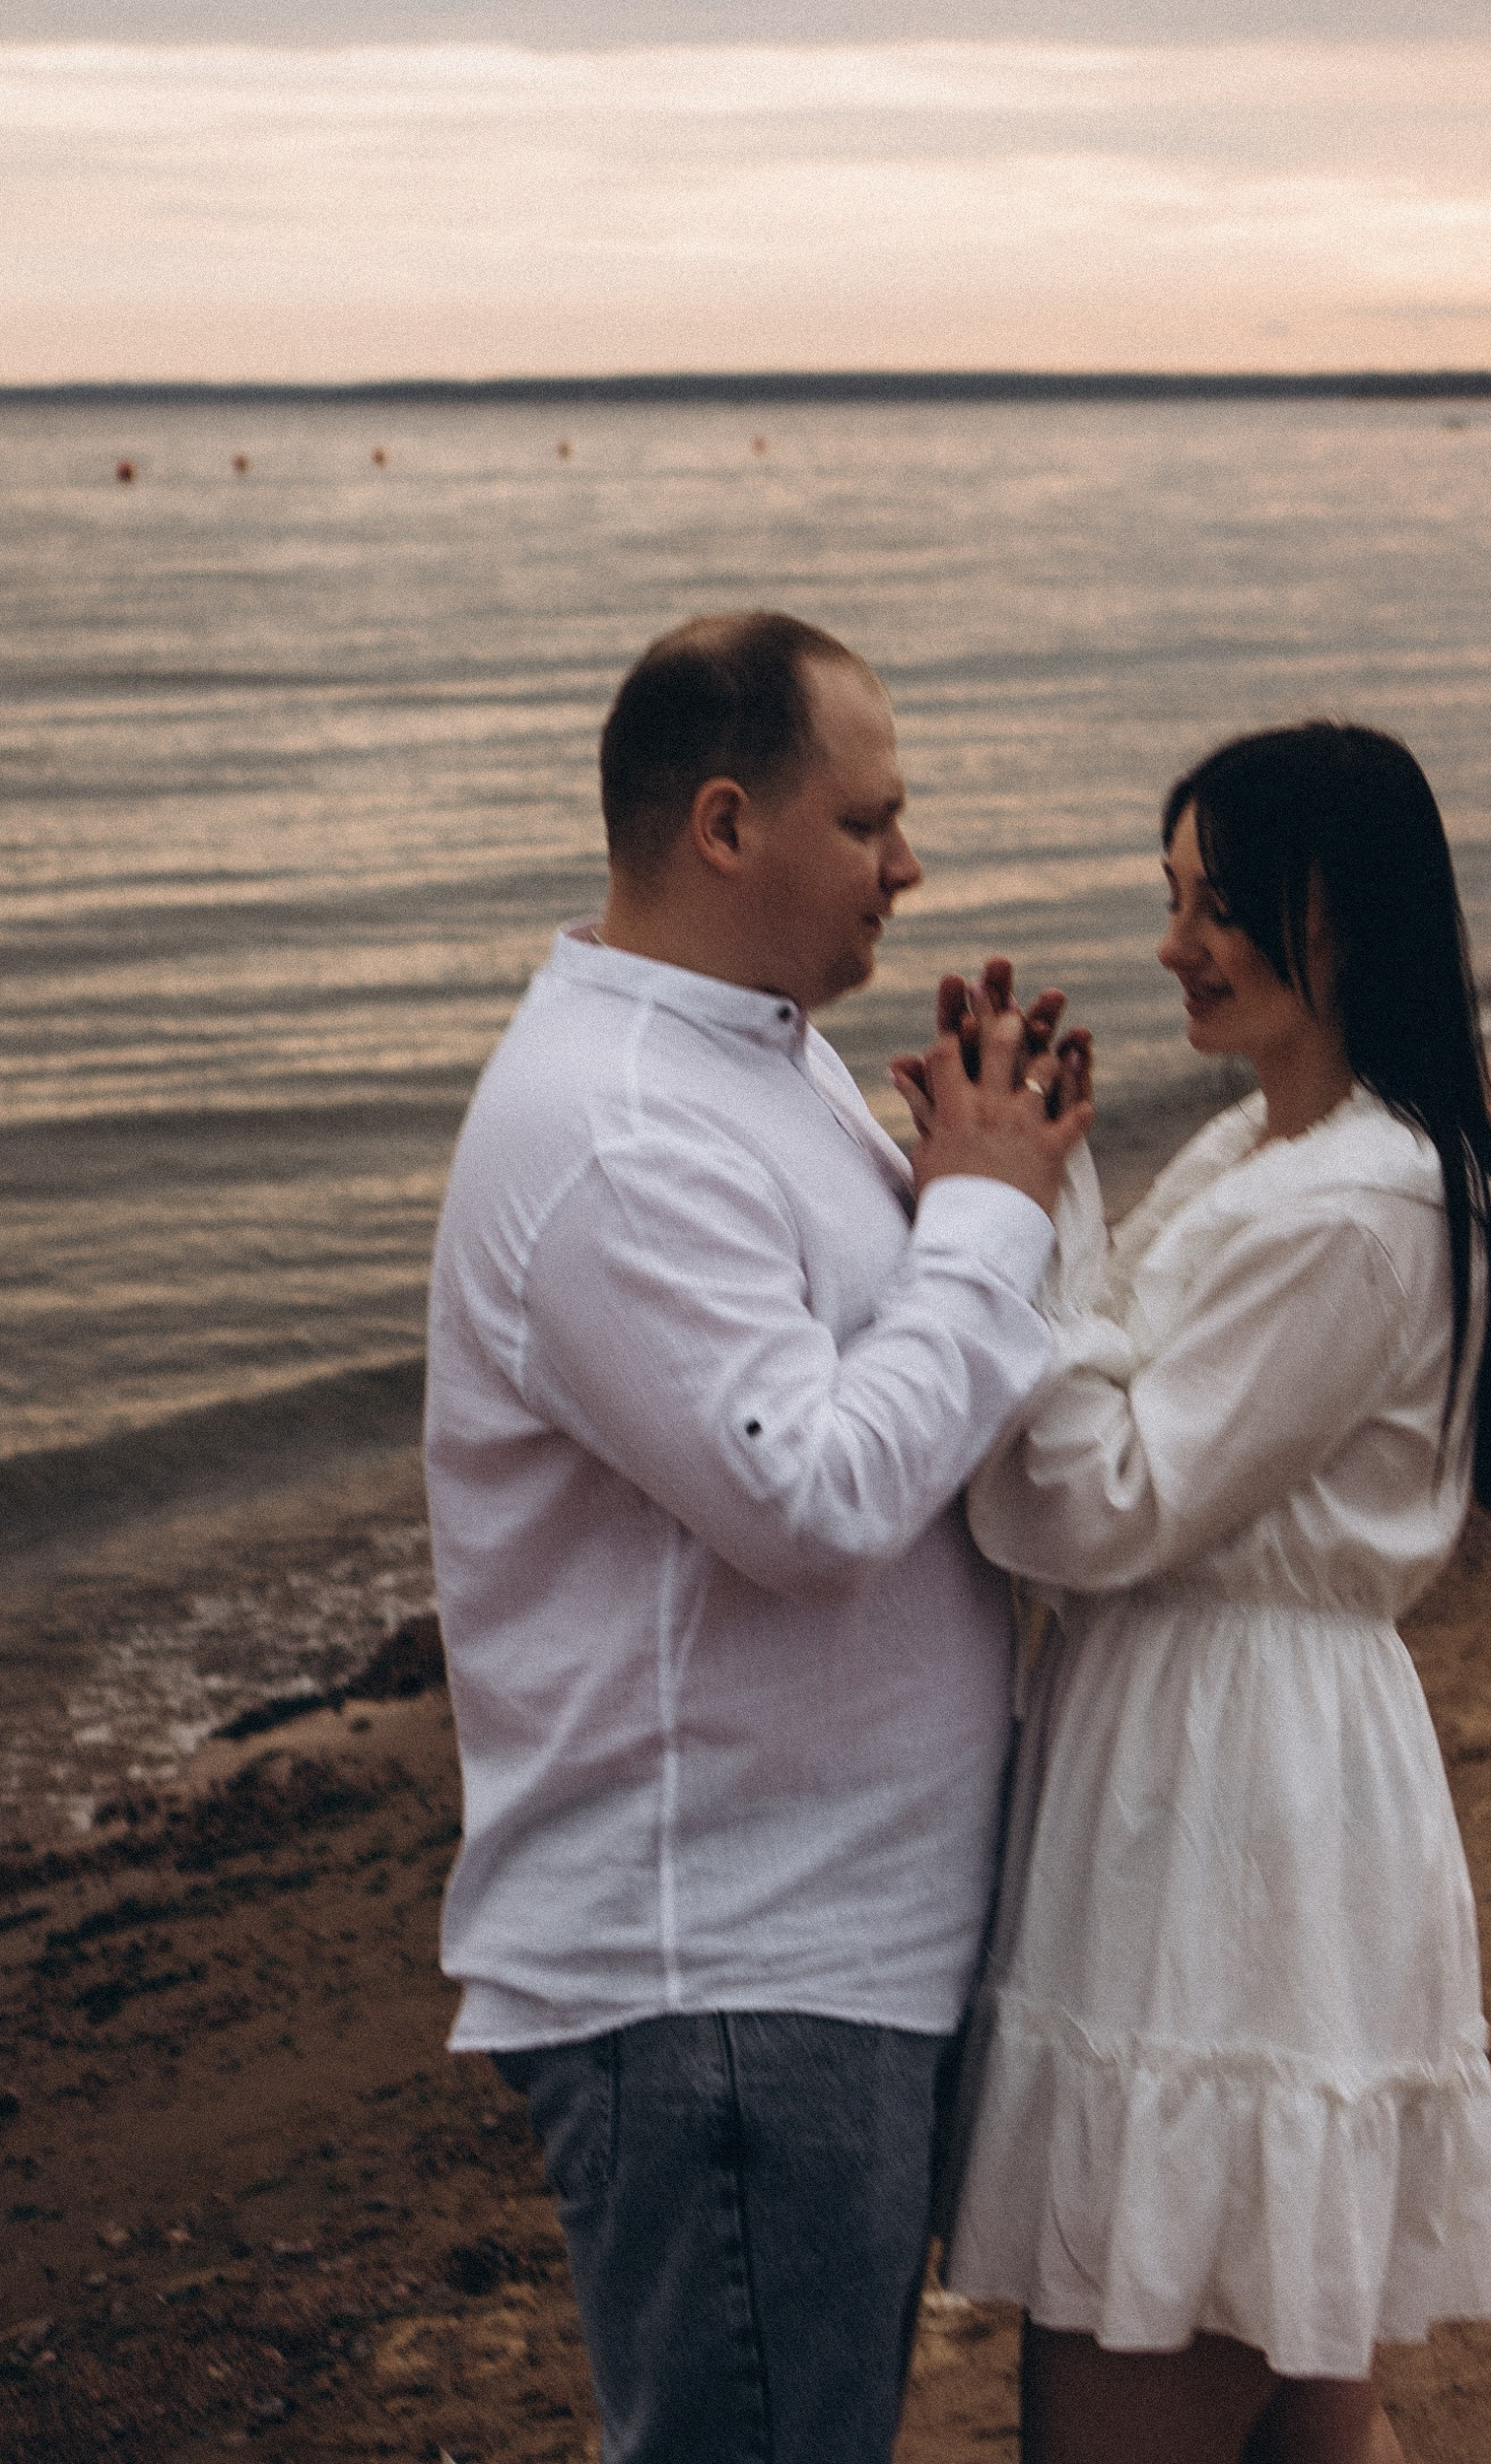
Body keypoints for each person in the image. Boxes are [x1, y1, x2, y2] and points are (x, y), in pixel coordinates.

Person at [424, 610, 1091, 2464]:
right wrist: (981, 1223)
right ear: (725, 826)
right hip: (718, 1974)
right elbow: (814, 1497)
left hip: (821, 1950)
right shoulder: (618, 1130)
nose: (912, 863)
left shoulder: (761, 1054)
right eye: (870, 821)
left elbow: (894, 1386)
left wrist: (976, 1171)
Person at [916, 719, 1491, 2464]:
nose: (1177, 944)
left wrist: (997, 1218)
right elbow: (1120, 1398)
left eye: (1220, 903)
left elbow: (1101, 1500)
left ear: (1345, 915)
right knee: (1297, 2398)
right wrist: (1033, 1186)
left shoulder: (1353, 1203)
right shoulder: (1278, 1154)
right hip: (1234, 1756)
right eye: (1170, 898)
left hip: (1230, 1788)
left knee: (1145, 2347)